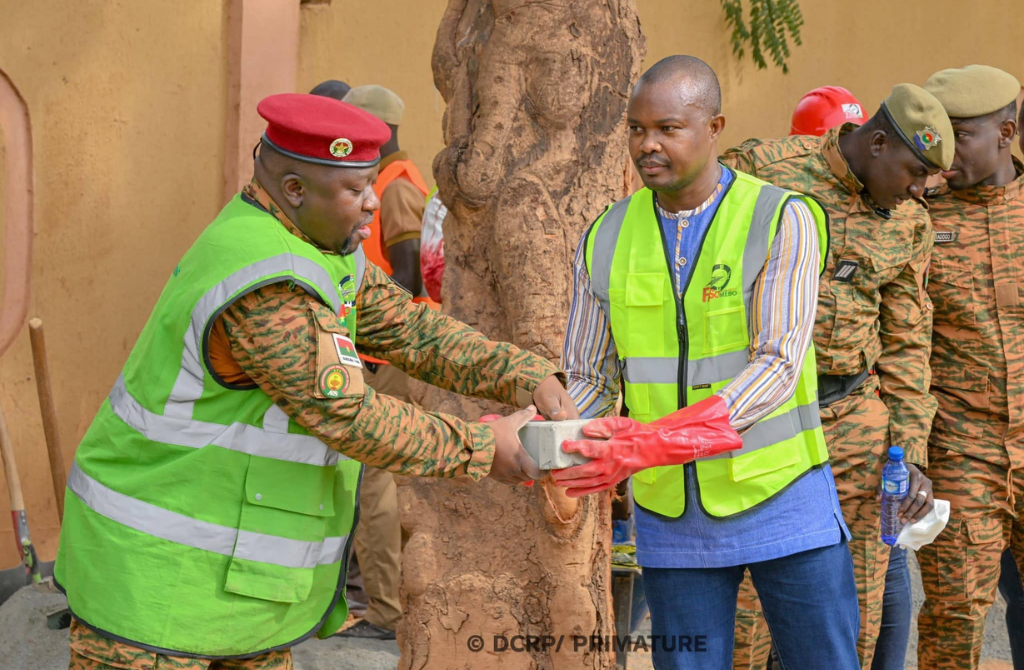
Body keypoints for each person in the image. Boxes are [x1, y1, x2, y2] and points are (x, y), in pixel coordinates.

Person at [55, 93, 578, 669]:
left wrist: (526, 375)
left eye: (371, 183)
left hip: (234, 587)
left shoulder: (322, 250)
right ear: (296, 190)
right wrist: (485, 447)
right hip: (154, 582)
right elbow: (348, 415)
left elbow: (410, 328)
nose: (373, 204)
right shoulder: (266, 280)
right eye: (356, 190)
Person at [553, 55, 860, 670]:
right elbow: (589, 377)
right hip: (672, 517)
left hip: (784, 497)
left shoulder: (781, 217)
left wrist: (659, 440)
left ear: (714, 126)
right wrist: (539, 432)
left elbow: (776, 364)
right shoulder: (606, 234)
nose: (648, 145)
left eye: (668, 128)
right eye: (637, 129)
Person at [719, 82, 951, 670]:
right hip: (758, 421)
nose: (920, 190)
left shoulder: (908, 223)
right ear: (876, 142)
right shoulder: (760, 173)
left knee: (852, 619)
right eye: (914, 172)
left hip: (853, 424)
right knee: (747, 622)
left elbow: (906, 344)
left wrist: (908, 454)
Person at [916, 64, 1024, 670]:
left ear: (1007, 132)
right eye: (937, 133)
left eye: (963, 134)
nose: (944, 151)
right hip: (960, 450)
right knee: (954, 617)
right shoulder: (919, 218)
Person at [313, 82, 430, 640]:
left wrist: (375, 347)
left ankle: (384, 611)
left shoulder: (396, 185)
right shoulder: (383, 180)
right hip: (386, 348)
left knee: (373, 477)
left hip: (392, 352)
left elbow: (407, 276)